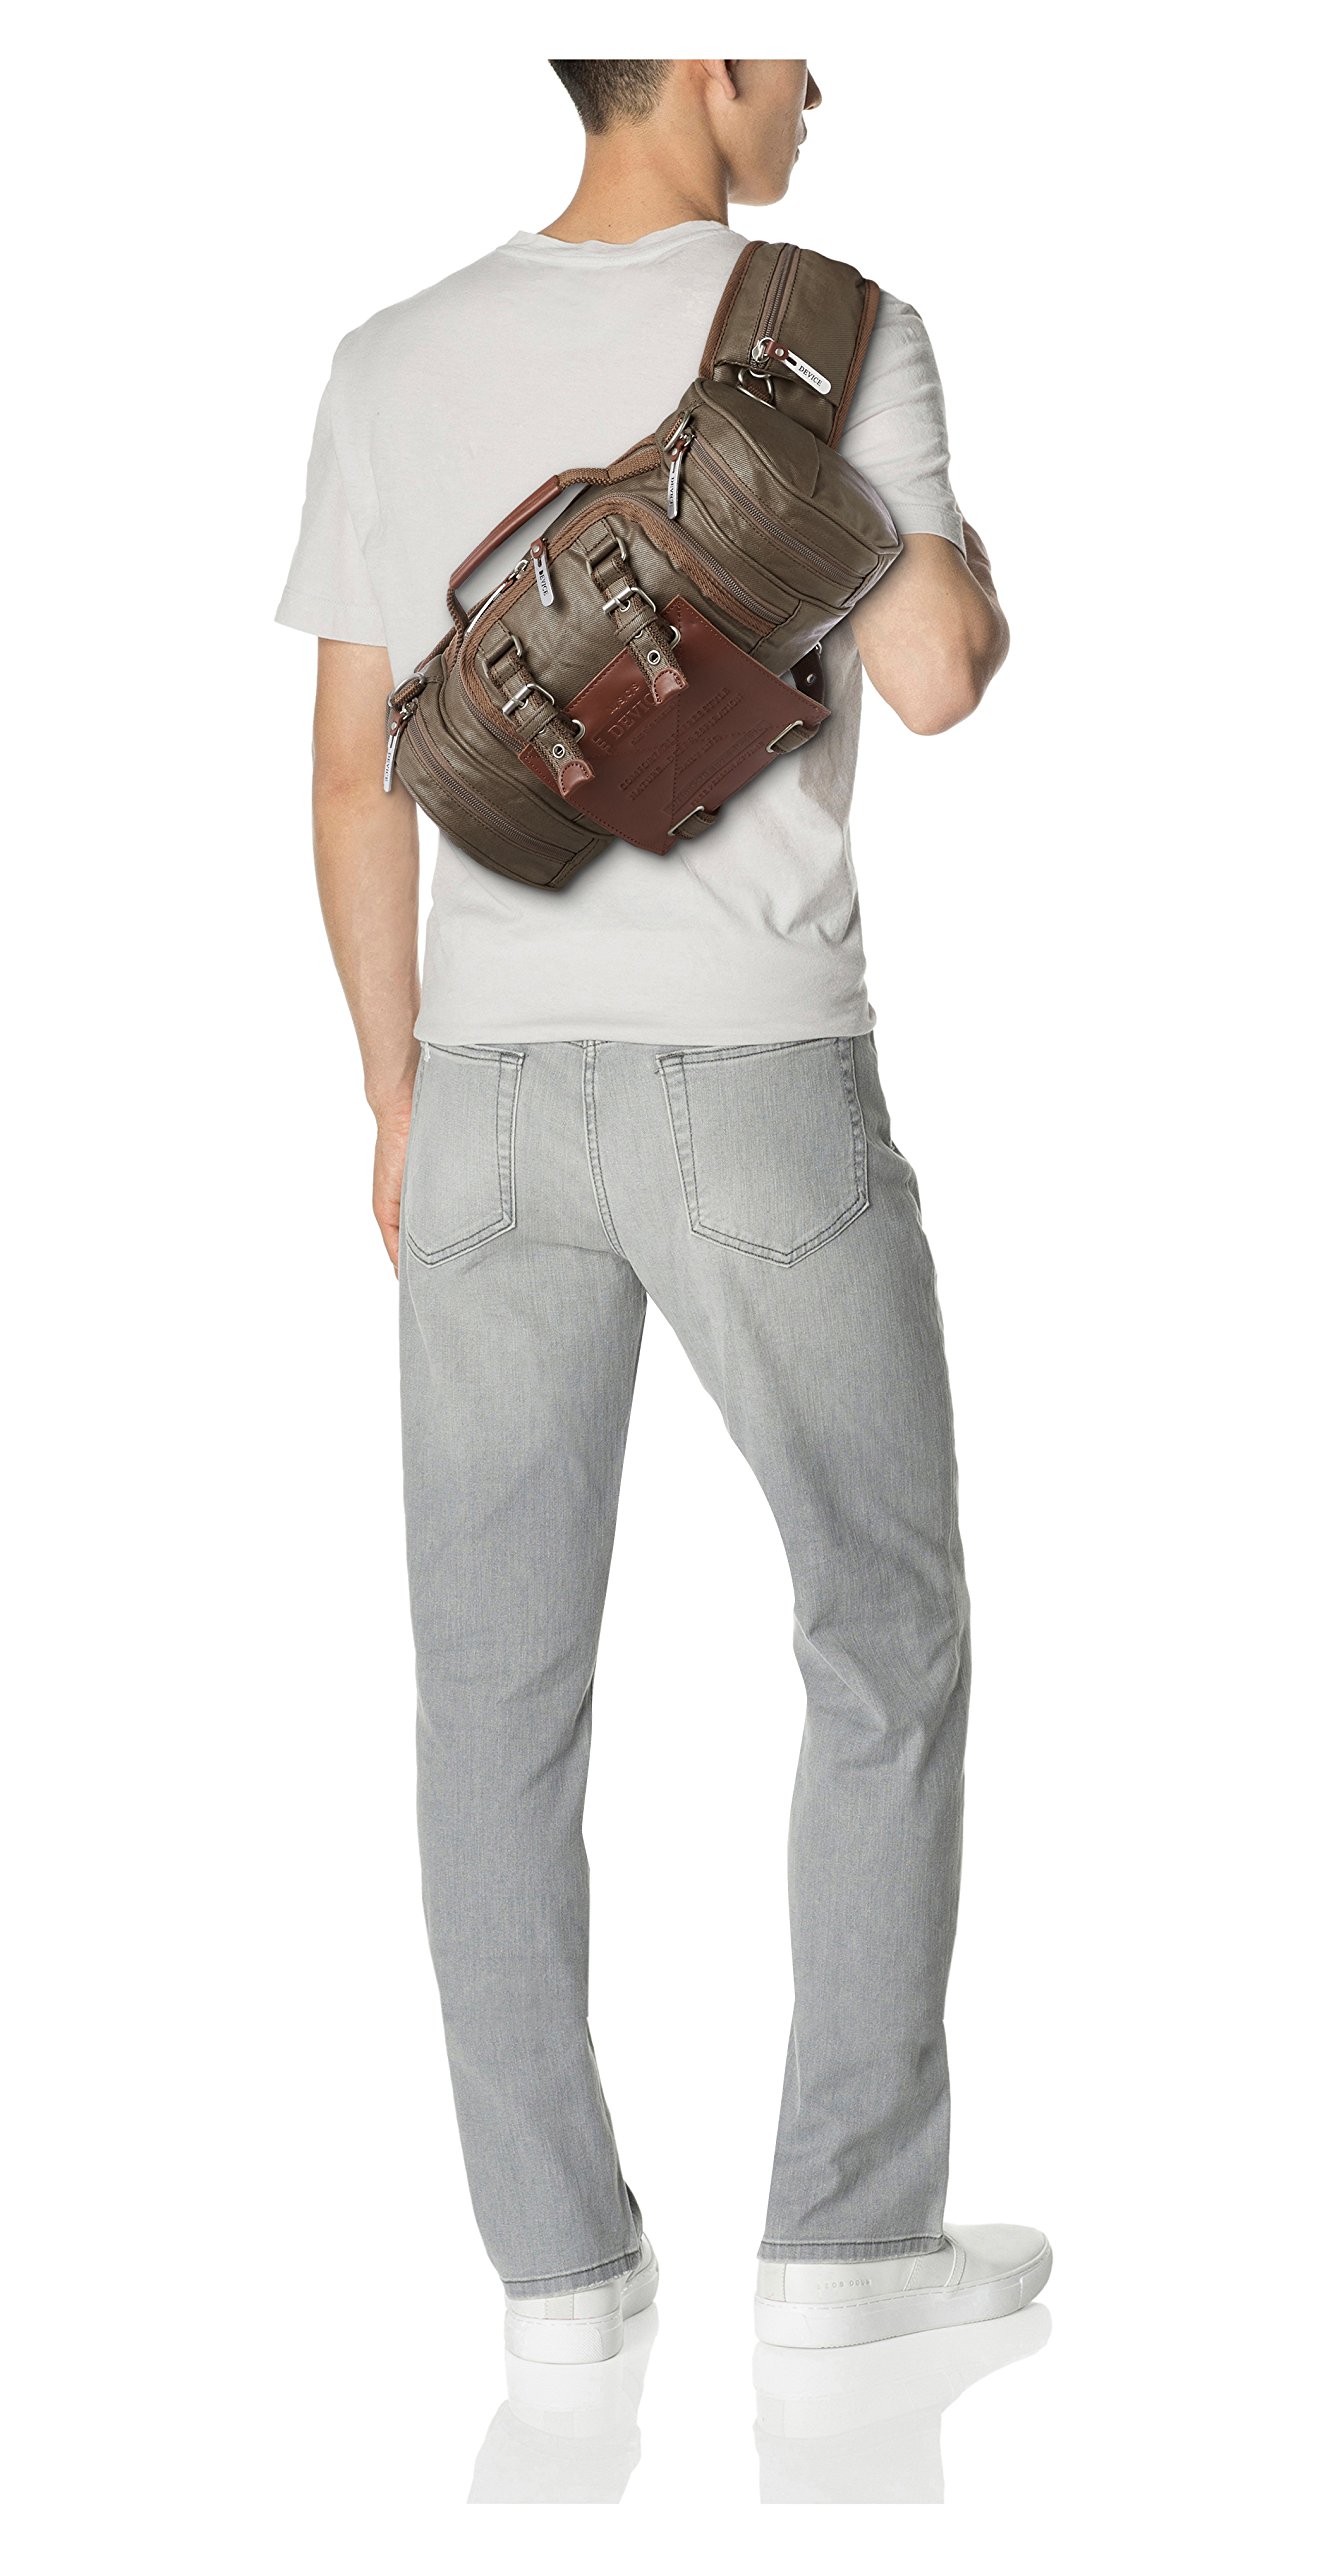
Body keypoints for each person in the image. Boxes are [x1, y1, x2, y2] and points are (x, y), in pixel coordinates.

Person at [277, 56, 1050, 2366]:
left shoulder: (389, 358)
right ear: (700, 55)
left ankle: (557, 2285)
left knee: (489, 1693)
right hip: (757, 1089)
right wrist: (937, 549)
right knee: (881, 1630)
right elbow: (938, 682)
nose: (815, 82)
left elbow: (353, 773)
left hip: (491, 1095)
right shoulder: (836, 322)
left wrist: (398, 1095)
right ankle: (847, 2245)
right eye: (789, 49)